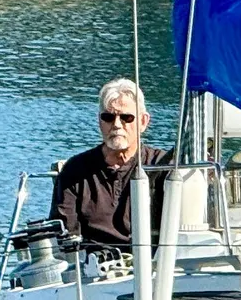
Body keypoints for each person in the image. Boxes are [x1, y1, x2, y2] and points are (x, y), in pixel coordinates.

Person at [50, 78, 173, 248]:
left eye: (126, 118)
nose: (116, 125)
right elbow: (64, 235)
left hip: (155, 264)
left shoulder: (164, 166)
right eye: (108, 117)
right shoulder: (75, 170)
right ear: (99, 121)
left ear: (143, 122)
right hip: (91, 265)